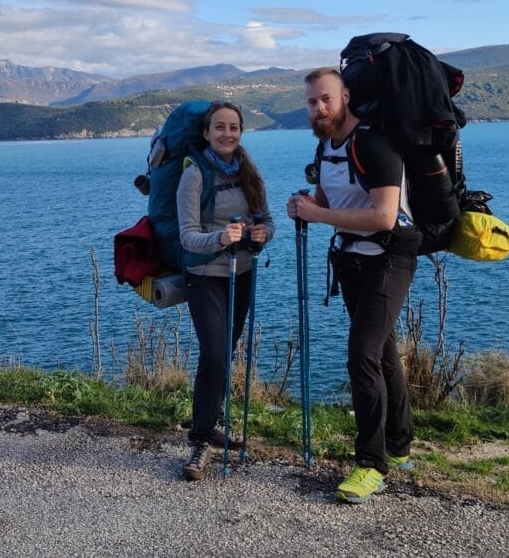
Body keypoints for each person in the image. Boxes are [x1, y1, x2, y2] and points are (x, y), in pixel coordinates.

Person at [286, 68, 418, 504]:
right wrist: (305, 205)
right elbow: (328, 201)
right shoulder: (326, 147)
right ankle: (398, 447)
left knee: (362, 356)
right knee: (382, 352)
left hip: (390, 255)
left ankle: (370, 465)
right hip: (352, 259)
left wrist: (319, 215)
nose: (319, 108)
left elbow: (383, 215)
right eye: (312, 102)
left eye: (326, 99)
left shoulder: (374, 143)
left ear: (346, 96)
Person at [176, 101, 275, 481]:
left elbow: (267, 219)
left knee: (225, 352)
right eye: (219, 127)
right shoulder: (194, 175)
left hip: (242, 272)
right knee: (214, 354)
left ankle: (212, 422)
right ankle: (199, 440)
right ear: (206, 133)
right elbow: (187, 236)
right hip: (205, 275)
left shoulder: (249, 170)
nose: (227, 134)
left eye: (233, 127)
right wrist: (221, 237)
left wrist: (263, 233)